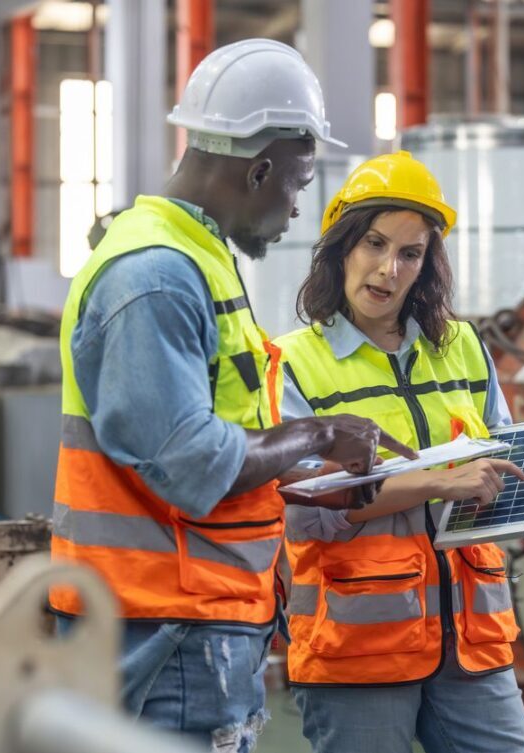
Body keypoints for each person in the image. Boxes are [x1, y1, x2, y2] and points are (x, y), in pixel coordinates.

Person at [49, 40, 414, 753]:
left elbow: (234, 436)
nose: (296, 208)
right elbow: (190, 461)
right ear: (259, 169)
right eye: (297, 186)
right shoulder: (155, 275)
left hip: (194, 631)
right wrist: (317, 434)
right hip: (163, 639)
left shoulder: (201, 258)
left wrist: (322, 479)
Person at [275, 151, 524, 753]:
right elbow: (306, 507)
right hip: (358, 652)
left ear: (426, 265)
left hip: (470, 645)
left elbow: (499, 456)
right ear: (341, 246)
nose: (388, 269)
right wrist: (439, 482)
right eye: (374, 243)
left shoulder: (462, 347)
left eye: (410, 253)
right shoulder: (294, 364)